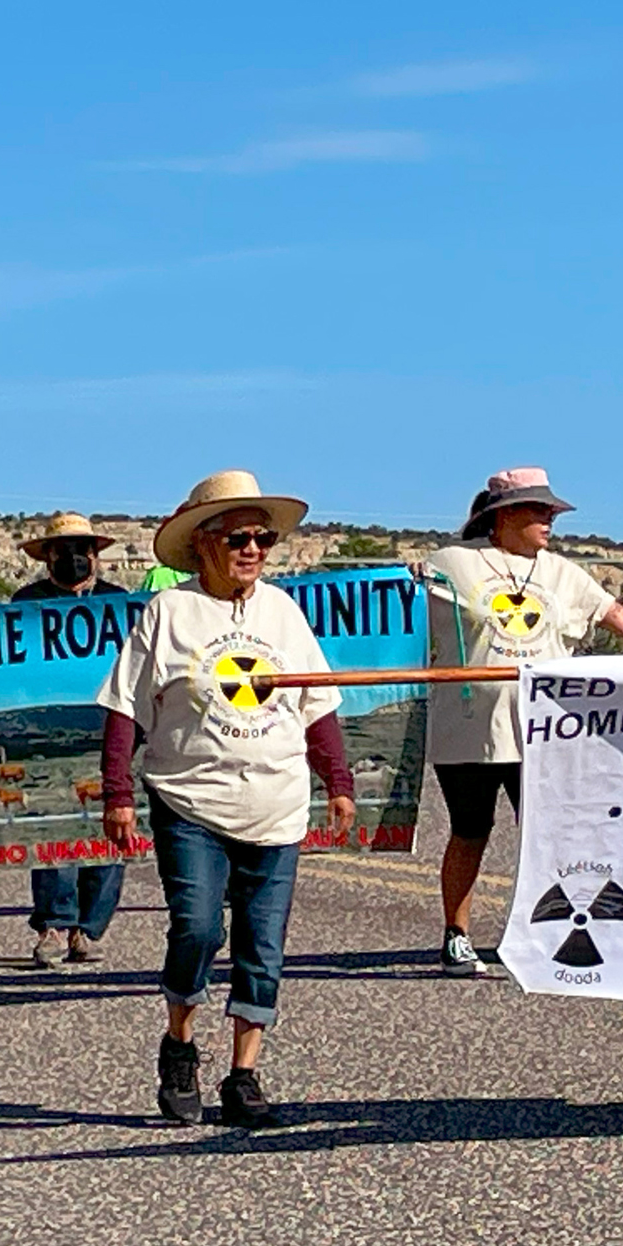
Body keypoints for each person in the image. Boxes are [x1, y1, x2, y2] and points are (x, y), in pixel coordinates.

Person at [99, 470, 357, 1130]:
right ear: (204, 543)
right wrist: (118, 792)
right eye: (239, 536)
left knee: (262, 943)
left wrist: (339, 780)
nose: (253, 549)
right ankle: (180, 1045)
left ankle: (244, 1074)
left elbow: (315, 701)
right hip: (189, 799)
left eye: (263, 538)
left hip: (276, 802)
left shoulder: (282, 611)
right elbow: (126, 707)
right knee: (198, 928)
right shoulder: (170, 612)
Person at [423, 468, 623, 978]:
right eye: (538, 511)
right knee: (469, 831)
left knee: (551, 836)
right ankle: (456, 935)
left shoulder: (561, 573)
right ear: (503, 516)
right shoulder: (451, 564)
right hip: (469, 729)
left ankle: (547, 931)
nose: (550, 520)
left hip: (543, 734)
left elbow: (621, 619)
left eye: (551, 512)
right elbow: (398, 615)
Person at [12, 512, 131, 969]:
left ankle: (89, 927)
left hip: (108, 732)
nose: (76, 559)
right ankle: (53, 924)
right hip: (47, 734)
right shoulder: (27, 604)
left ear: (97, 557)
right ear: (48, 559)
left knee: (109, 830)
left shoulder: (119, 604)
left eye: (84, 551)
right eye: (65, 551)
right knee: (53, 828)